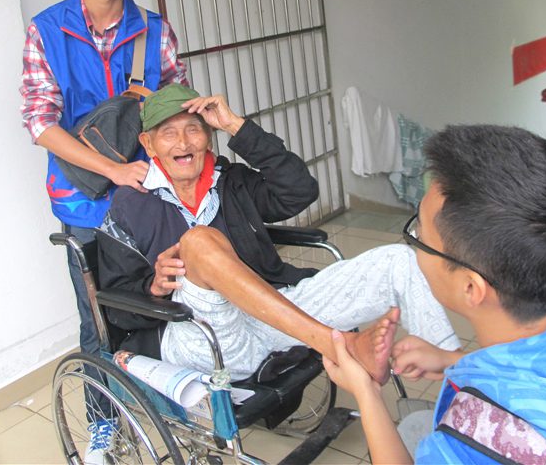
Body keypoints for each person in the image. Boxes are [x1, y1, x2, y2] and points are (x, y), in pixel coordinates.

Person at [324, 124, 546, 464]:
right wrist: (453, 361)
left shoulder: (476, 438)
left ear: (471, 287)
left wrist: (367, 393)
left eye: (419, 235)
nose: (414, 244)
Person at [98, 83, 461, 383]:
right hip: (205, 337)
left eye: (193, 129)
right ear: (148, 144)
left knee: (398, 260)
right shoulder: (129, 206)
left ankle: (465, 381)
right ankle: (341, 346)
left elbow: (299, 191)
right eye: (168, 133)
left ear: (208, 137)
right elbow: (118, 309)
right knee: (198, 241)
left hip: (274, 318)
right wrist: (154, 287)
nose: (183, 143)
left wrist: (237, 126)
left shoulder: (232, 182)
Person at [19, 0, 186, 463]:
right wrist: (114, 169)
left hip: (152, 197)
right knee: (99, 320)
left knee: (170, 298)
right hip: (85, 205)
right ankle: (102, 423)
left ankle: (171, 401)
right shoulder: (48, 31)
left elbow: (174, 106)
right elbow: (40, 122)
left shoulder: (153, 30)